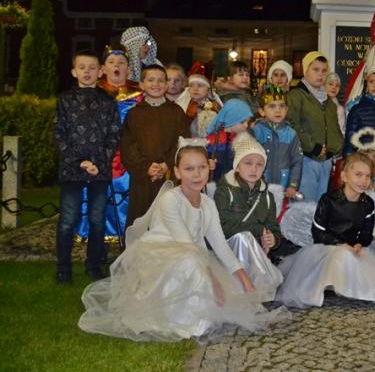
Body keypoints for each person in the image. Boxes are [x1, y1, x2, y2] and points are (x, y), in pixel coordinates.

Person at [79, 140, 289, 341]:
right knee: (191, 265)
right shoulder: (170, 200)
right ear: (177, 172)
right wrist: (214, 281)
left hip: (194, 255)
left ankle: (208, 309)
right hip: (162, 256)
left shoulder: (207, 203)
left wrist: (244, 279)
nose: (197, 174)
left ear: (209, 169)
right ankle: (183, 319)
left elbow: (220, 246)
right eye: (189, 169)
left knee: (227, 279)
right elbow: (186, 245)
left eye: (202, 167)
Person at [276, 153, 375, 308]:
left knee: (366, 261)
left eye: (368, 176)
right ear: (344, 176)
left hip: (354, 247)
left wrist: (360, 243)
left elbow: (367, 231)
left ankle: (352, 288)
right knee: (341, 254)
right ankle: (330, 283)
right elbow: (318, 232)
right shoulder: (328, 200)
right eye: (358, 175)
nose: (364, 180)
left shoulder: (368, 203)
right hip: (328, 246)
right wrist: (340, 244)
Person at [55, 50, 121, 283]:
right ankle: (63, 268)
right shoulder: (65, 100)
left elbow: (114, 135)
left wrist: (98, 163)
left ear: (100, 71)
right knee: (68, 220)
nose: (87, 72)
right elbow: (59, 134)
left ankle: (93, 265)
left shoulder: (108, 101)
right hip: (71, 169)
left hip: (99, 170)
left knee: (97, 219)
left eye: (92, 67)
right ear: (74, 72)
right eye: (82, 67)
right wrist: (79, 162)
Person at [75, 45, 140, 245]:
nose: (116, 66)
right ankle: (91, 230)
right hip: (99, 150)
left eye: (121, 62)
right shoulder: (91, 92)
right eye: (111, 62)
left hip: (128, 151)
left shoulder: (139, 94)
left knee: (125, 189)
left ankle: (124, 229)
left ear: (129, 68)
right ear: (103, 68)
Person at [214, 132, 286, 294]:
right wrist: (258, 230)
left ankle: (256, 287)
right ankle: (248, 288)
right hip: (227, 255)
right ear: (237, 166)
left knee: (247, 238)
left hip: (255, 254)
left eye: (259, 164)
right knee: (243, 237)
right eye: (248, 163)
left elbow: (274, 228)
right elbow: (222, 228)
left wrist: (272, 239)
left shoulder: (267, 197)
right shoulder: (224, 192)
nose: (254, 169)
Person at [121, 65, 189, 227]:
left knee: (168, 219)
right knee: (141, 220)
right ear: (142, 84)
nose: (156, 84)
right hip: (143, 176)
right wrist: (146, 167)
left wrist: (167, 164)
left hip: (169, 175)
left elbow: (182, 142)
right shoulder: (134, 114)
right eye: (151, 80)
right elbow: (128, 146)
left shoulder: (176, 112)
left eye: (161, 80)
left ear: (166, 85)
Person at [286, 51, 343, 203]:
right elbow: (291, 124)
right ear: (306, 70)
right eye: (315, 70)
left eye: (324, 71)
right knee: (304, 206)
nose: (320, 74)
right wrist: (312, 146)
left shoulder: (328, 101)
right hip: (306, 159)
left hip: (326, 161)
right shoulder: (297, 95)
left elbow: (333, 128)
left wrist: (336, 146)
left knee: (320, 205)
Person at [251, 85, 303, 215]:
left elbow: (297, 161)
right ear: (262, 111)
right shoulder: (256, 132)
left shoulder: (291, 134)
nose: (278, 110)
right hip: (259, 186)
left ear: (287, 109)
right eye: (272, 106)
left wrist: (292, 185)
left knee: (278, 216)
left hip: (282, 187)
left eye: (282, 106)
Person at [343, 62, 375, 157]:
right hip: (366, 157)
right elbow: (350, 138)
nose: (374, 85)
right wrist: (348, 157)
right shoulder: (357, 109)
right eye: (371, 82)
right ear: (367, 84)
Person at [206, 99, 254, 183]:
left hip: (237, 182)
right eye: (242, 122)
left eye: (248, 122)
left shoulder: (244, 139)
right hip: (216, 183)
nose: (246, 125)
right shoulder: (213, 139)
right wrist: (208, 163)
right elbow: (206, 159)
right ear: (231, 120)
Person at [175, 72, 223, 139]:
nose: (195, 89)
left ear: (208, 90)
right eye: (191, 86)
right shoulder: (184, 105)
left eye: (200, 85)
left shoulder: (215, 106)